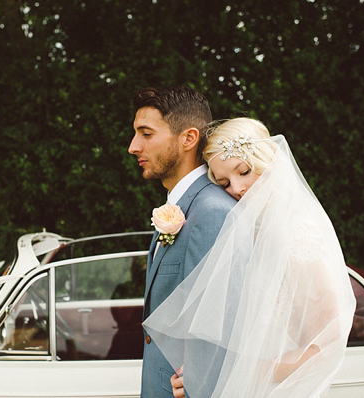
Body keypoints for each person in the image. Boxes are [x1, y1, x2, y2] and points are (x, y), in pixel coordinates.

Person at [143, 117, 357, 397]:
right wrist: (201, 373)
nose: (237, 188)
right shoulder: (252, 234)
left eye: (243, 171)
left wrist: (248, 370)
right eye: (224, 183)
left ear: (266, 161)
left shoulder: (298, 235)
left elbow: (329, 340)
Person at [128, 86, 236, 398]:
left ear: (188, 139)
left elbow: (218, 331)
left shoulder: (212, 212)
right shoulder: (181, 206)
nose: (133, 147)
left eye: (146, 134)